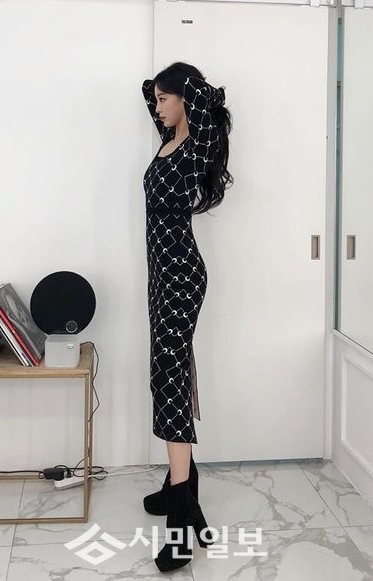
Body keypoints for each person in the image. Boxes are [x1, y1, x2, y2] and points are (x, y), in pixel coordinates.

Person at [141, 61, 233, 572]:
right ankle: (183, 489)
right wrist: (162, 88)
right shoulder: (168, 137)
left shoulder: (196, 144)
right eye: (156, 100)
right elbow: (151, 94)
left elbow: (195, 98)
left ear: (186, 100)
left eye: (165, 99)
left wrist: (188, 88)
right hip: (160, 277)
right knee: (166, 376)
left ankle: (181, 523)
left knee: (171, 381)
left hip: (181, 276)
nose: (156, 107)